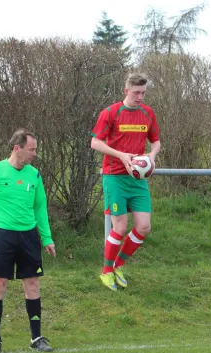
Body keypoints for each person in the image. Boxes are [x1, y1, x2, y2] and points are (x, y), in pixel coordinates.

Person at [0, 129, 56, 353]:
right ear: (17, 148)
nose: (35, 154)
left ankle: (36, 338)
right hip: (3, 236)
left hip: (29, 237)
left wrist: (47, 238)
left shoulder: (35, 176)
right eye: (32, 149)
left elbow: (40, 208)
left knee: (33, 285)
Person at [91, 72, 161, 291]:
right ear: (126, 91)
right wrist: (120, 155)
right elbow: (95, 142)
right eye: (136, 93)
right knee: (119, 227)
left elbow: (156, 141)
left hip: (137, 179)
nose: (140, 97)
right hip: (114, 177)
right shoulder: (110, 113)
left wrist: (151, 156)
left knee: (144, 226)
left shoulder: (147, 113)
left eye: (143, 93)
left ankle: (117, 266)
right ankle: (106, 272)